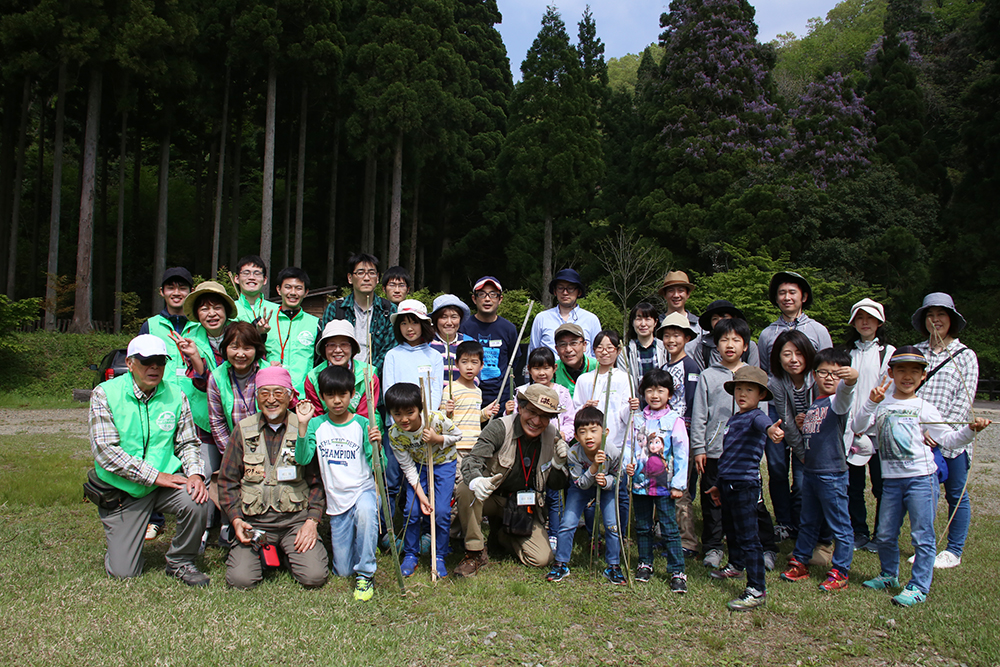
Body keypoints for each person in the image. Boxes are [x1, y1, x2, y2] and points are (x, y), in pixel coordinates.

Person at [854, 347, 990, 606]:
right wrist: (871, 402)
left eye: (914, 371)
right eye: (901, 370)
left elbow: (948, 439)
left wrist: (971, 431)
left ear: (924, 376)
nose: (907, 376)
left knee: (922, 536)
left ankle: (918, 587)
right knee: (884, 533)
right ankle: (888, 575)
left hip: (922, 480)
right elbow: (858, 427)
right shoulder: (882, 403)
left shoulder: (925, 408)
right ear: (891, 373)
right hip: (891, 481)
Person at [87, 334, 211, 585]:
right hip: (124, 489)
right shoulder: (104, 393)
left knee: (197, 498)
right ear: (130, 363)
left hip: (164, 484)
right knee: (124, 572)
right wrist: (156, 476)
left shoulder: (176, 394)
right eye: (146, 361)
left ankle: (181, 561)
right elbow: (106, 452)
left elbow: (187, 442)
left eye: (160, 361)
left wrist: (196, 474)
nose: (154, 367)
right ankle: (121, 544)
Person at [216, 366, 328, 590]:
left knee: (314, 577)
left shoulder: (305, 428)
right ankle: (265, 553)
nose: (271, 400)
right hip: (254, 522)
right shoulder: (243, 430)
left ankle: (286, 553)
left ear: (290, 396)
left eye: (278, 393)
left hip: (294, 521)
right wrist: (236, 520)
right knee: (241, 580)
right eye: (264, 393)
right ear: (256, 397)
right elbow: (227, 481)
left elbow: (318, 482)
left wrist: (311, 521)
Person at [452, 385, 570, 576]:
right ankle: (475, 552)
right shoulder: (499, 427)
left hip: (523, 506)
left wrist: (558, 465)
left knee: (541, 559)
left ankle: (502, 536)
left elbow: (556, 485)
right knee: (466, 489)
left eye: (545, 416)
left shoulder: (553, 437)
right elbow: (471, 461)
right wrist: (476, 481)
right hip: (491, 497)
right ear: (520, 408)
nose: (536, 421)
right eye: (532, 411)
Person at [691, 319, 779, 571]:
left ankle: (767, 546)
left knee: (754, 503)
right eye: (724, 340)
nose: (730, 345)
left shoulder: (755, 376)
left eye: (736, 340)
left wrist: (759, 450)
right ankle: (713, 546)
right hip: (714, 453)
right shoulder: (708, 375)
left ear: (745, 346)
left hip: (745, 457)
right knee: (712, 502)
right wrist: (699, 447)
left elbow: (762, 419)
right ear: (715, 344)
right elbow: (699, 415)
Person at [295, 365, 384, 601]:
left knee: (366, 510)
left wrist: (378, 446)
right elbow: (303, 459)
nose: (337, 401)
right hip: (337, 502)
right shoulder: (316, 425)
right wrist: (302, 425)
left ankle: (366, 574)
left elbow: (379, 466)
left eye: (342, 395)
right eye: (330, 396)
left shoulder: (363, 424)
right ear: (322, 397)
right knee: (343, 570)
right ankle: (366, 543)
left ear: (351, 395)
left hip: (362, 492)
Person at [705, 366, 785, 611]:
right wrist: (718, 484)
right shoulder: (734, 418)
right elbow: (728, 455)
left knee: (750, 536)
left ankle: (756, 588)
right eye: (739, 388)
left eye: (749, 389)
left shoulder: (757, 417)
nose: (742, 393)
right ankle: (735, 566)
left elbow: (766, 426)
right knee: (733, 530)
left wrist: (772, 430)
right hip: (728, 483)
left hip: (745, 485)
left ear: (761, 395)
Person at [779, 348, 858, 592]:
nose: (829, 378)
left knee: (839, 523)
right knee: (808, 520)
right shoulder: (818, 402)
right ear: (814, 375)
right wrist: (804, 423)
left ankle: (840, 570)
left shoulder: (839, 400)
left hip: (832, 473)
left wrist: (851, 379)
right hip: (811, 472)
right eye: (823, 372)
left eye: (836, 373)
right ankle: (800, 561)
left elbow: (846, 392)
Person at [912, 293, 979, 570]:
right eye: (930, 315)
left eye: (941, 315)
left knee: (956, 494)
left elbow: (963, 402)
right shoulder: (915, 352)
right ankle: (926, 547)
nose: (935, 320)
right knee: (925, 497)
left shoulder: (965, 356)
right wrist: (918, 430)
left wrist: (938, 433)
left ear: (951, 319)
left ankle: (953, 550)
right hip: (917, 438)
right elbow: (905, 392)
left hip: (951, 440)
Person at [138, 266, 196, 541]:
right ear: (162, 292)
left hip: (196, 402)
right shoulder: (151, 325)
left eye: (182, 287)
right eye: (171, 287)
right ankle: (153, 517)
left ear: (190, 292)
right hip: (161, 402)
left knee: (191, 460)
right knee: (156, 455)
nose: (176, 292)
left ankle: (196, 518)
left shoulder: (199, 322)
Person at [385, 383, 462, 579]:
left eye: (410, 412)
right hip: (419, 467)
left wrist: (437, 439)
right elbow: (408, 468)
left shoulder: (434, 419)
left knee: (442, 511)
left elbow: (457, 435)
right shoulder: (394, 435)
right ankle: (411, 554)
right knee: (411, 510)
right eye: (397, 414)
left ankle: (440, 555)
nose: (404, 419)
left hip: (444, 463)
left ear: (420, 409)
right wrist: (421, 496)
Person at [624, 369, 689, 593]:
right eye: (650, 390)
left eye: (660, 390)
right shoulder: (637, 418)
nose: (655, 395)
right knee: (642, 526)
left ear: (669, 394)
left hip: (665, 486)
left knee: (669, 527)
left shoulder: (674, 421)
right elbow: (629, 446)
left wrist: (678, 484)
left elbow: (681, 453)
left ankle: (677, 570)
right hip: (640, 485)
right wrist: (628, 464)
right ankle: (645, 562)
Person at [506, 345, 575, 549]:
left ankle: (554, 532)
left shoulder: (561, 393)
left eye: (546, 368)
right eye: (536, 368)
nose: (541, 373)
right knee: (527, 488)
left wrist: (564, 435)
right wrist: (508, 410)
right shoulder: (521, 392)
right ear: (528, 370)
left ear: (554, 368)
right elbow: (510, 422)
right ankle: (524, 526)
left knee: (553, 492)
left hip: (551, 448)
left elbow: (570, 420)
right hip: (526, 449)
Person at [547, 406, 625, 585]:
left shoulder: (612, 452)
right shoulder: (574, 453)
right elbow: (580, 483)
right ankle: (561, 563)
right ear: (575, 435)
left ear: (605, 432)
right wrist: (594, 468)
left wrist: (607, 482)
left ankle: (613, 565)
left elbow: (618, 478)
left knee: (612, 525)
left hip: (605, 488)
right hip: (580, 488)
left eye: (593, 431)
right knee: (567, 523)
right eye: (582, 432)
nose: (588, 437)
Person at [844, 298, 894, 553]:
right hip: (850, 431)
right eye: (860, 318)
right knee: (852, 485)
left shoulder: (888, 353)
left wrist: (869, 421)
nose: (865, 322)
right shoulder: (846, 353)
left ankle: (883, 535)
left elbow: (890, 391)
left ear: (879, 322)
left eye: (870, 318)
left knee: (882, 486)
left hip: (878, 431)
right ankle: (858, 531)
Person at [657, 312, 701, 558]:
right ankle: (668, 535)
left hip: (682, 435)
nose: (671, 340)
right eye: (667, 335)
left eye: (676, 335)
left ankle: (688, 541)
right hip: (664, 436)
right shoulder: (665, 367)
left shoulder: (690, 365)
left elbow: (694, 401)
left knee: (680, 488)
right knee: (664, 485)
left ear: (686, 337)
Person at [766, 330, 817, 541]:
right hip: (795, 434)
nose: (793, 360)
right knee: (778, 471)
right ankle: (785, 523)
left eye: (798, 353)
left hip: (817, 438)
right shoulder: (777, 382)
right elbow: (786, 419)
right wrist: (800, 449)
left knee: (802, 483)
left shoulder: (816, 377)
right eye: (787, 354)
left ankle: (803, 525)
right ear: (778, 357)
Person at [315, 252, 396, 375]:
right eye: (360, 273)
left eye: (372, 273)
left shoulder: (389, 310)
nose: (367, 278)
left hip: (375, 382)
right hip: (341, 380)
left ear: (378, 278)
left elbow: (388, 351)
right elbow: (327, 347)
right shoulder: (336, 309)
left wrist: (368, 376)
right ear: (350, 278)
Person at [304, 320, 381, 429]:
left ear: (352, 347)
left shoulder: (368, 374)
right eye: (331, 345)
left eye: (344, 344)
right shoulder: (313, 377)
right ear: (324, 348)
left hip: (363, 430)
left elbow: (366, 413)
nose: (338, 350)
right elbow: (317, 416)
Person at [206, 322, 265, 458]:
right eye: (234, 347)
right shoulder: (216, 377)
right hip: (234, 447)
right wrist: (233, 456)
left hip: (268, 446)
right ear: (225, 348)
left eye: (247, 348)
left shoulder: (267, 372)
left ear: (256, 349)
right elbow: (217, 422)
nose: (240, 354)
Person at [459, 276, 519, 408]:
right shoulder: (464, 328)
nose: (487, 299)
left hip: (500, 398)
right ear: (474, 299)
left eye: (493, 294)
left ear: (500, 299)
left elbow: (514, 360)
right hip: (470, 395)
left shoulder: (509, 329)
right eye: (482, 294)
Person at [757, 271, 832, 375]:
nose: (787, 298)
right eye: (782, 293)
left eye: (792, 292)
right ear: (776, 299)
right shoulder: (767, 334)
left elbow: (828, 367)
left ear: (804, 297)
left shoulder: (818, 330)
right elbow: (764, 372)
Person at [263, 267, 318, 396]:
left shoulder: (315, 324)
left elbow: (319, 363)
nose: (293, 292)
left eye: (298, 288)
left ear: (306, 292)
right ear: (278, 290)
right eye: (288, 287)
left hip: (303, 397)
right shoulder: (265, 322)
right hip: (270, 394)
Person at [530, 268, 601, 357]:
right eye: (560, 288)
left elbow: (598, 354)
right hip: (549, 370)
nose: (565, 292)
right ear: (555, 291)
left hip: (585, 371)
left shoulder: (591, 319)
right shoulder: (542, 318)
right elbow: (533, 353)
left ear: (578, 292)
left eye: (570, 288)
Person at [685, 300, 761, 372]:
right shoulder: (703, 347)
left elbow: (754, 374)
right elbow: (700, 374)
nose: (720, 321)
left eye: (724, 317)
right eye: (715, 318)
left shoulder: (749, 346)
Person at [447, 341, 494, 459]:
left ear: (481, 365)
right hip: (456, 445)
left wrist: (485, 413)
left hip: (475, 445)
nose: (469, 367)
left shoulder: (478, 391)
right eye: (464, 362)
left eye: (474, 362)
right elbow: (442, 420)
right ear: (456, 364)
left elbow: (474, 417)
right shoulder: (450, 389)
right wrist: (447, 412)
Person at [617, 302, 666, 394]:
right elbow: (624, 384)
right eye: (639, 319)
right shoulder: (625, 353)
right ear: (632, 322)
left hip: (663, 406)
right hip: (637, 405)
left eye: (648, 319)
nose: (643, 324)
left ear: (655, 322)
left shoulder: (665, 349)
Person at [429, 294, 473, 388]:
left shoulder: (469, 343)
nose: (449, 323)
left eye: (454, 317)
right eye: (443, 317)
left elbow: (476, 376)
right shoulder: (426, 344)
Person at [231, 255, 277, 329]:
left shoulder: (277, 310)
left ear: (265, 280)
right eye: (246, 273)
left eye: (257, 274)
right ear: (237, 278)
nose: (251, 277)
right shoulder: (229, 309)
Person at [552, 323, 597, 392]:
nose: (568, 349)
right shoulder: (552, 371)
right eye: (563, 344)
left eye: (574, 343)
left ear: (584, 346)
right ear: (557, 349)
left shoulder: (597, 367)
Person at [657, 270, 700, 335]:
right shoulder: (655, 325)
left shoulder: (699, 325)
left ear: (688, 294)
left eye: (681, 290)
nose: (676, 295)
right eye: (671, 291)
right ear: (665, 295)